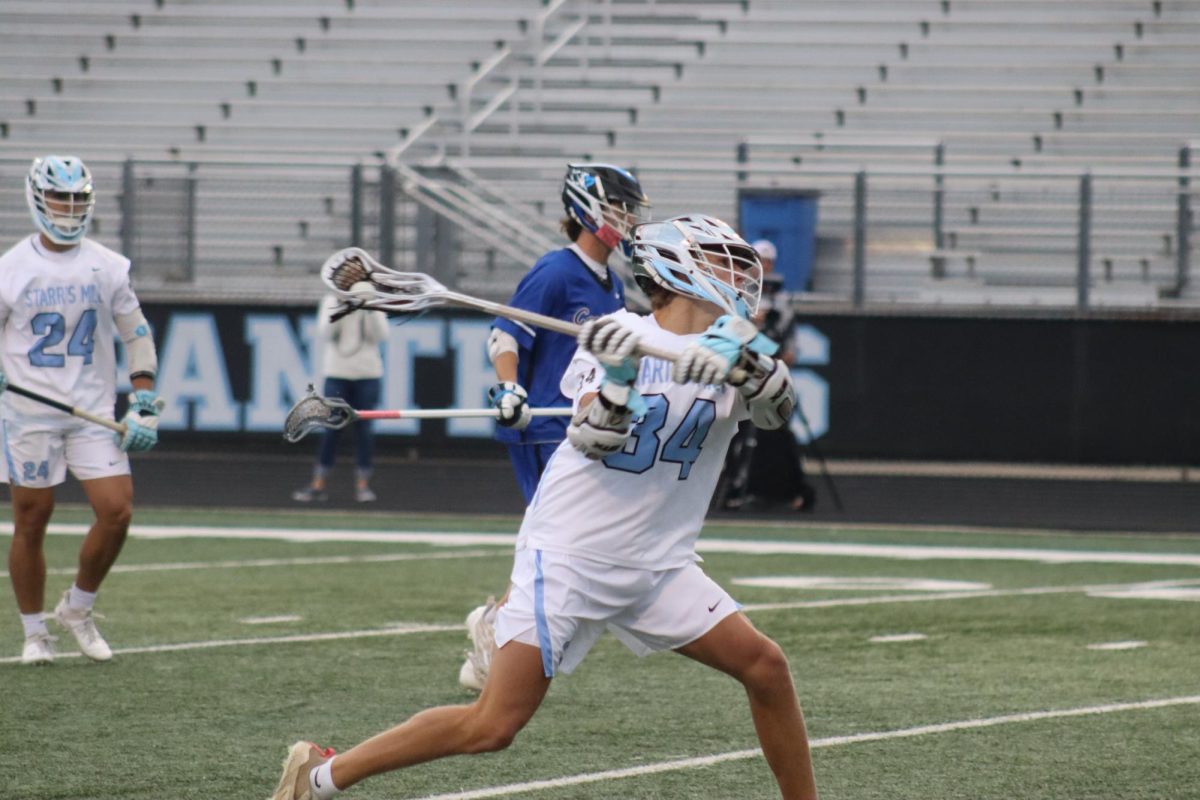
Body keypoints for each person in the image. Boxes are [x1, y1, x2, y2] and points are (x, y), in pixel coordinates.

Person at [269, 215, 819, 800]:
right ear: (673, 269)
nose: (735, 272)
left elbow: (778, 410)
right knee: (492, 726)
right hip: (569, 554)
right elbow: (592, 437)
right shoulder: (614, 331)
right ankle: (319, 777)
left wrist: (752, 370)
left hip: (658, 564)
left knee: (765, 667)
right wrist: (619, 378)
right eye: (717, 258)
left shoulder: (737, 338)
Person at [459, 163, 650, 690]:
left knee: (567, 536)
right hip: (544, 428)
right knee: (556, 537)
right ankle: (502, 626)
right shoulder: (555, 271)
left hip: (578, 429)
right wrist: (509, 387)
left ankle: (498, 626)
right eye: (619, 207)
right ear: (587, 209)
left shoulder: (611, 283)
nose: (627, 218)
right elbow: (506, 333)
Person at [0, 155, 162, 665]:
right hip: (29, 410)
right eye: (59, 197)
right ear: (37, 198)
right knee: (33, 517)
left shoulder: (107, 265)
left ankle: (78, 606)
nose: (67, 208)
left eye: (76, 199)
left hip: (91, 408)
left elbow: (136, 335)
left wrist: (143, 401)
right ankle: (33, 632)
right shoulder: (11, 269)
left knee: (116, 511)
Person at [720, 239, 816, 512]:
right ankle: (736, 488)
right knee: (738, 434)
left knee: (777, 432)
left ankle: (789, 490)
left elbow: (790, 344)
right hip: (743, 373)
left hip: (771, 374)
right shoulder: (737, 296)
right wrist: (751, 326)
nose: (763, 266)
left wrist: (779, 356)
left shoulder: (783, 300)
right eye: (759, 260)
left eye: (767, 260)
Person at [292, 292, 388, 504]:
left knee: (365, 431)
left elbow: (381, 335)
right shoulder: (331, 301)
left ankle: (363, 485)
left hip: (368, 374)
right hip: (337, 373)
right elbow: (326, 333)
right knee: (331, 429)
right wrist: (342, 306)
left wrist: (368, 307)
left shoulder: (372, 300)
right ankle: (318, 483)